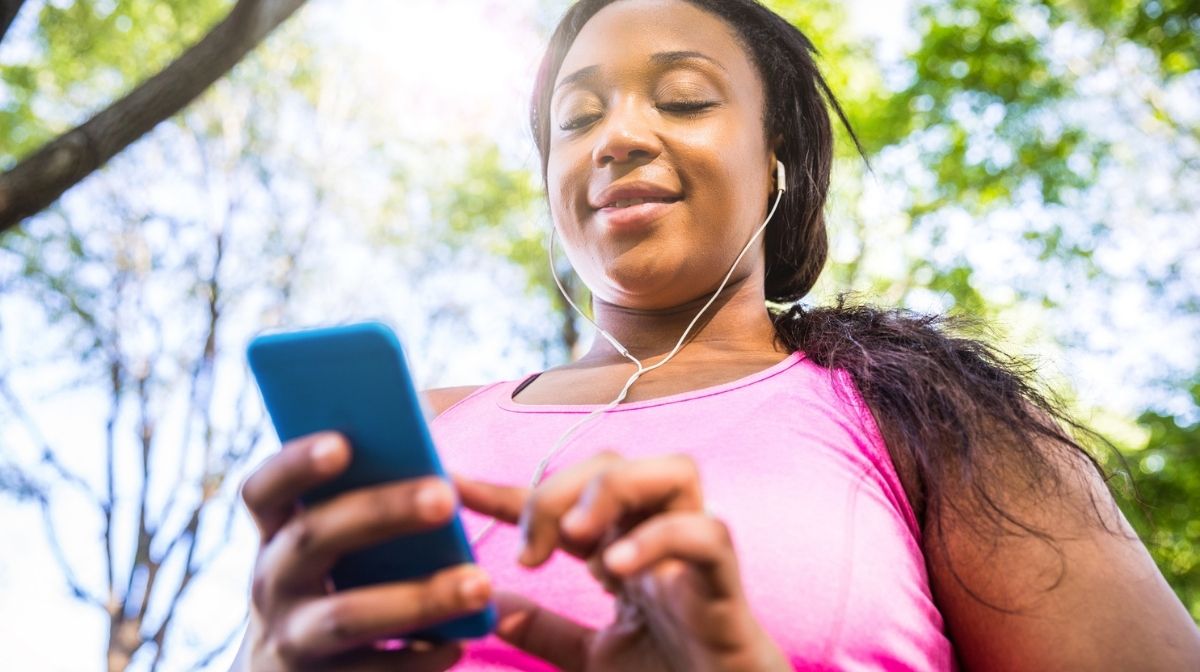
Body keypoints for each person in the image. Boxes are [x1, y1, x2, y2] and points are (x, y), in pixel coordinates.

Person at [232, 0, 1200, 669]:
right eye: (577, 118)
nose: (616, 137)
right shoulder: (415, 430)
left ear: (775, 159)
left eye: (685, 97)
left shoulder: (928, 415)